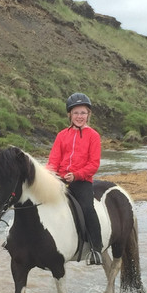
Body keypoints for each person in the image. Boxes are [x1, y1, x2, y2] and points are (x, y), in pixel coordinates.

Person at [46, 92, 104, 264]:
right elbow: (53, 160)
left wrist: (77, 175)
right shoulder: (61, 135)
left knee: (87, 208)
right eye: (76, 113)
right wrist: (51, 174)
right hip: (59, 181)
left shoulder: (93, 136)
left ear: (89, 115)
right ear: (69, 114)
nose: (80, 116)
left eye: (83, 113)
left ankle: (96, 249)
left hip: (82, 181)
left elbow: (94, 164)